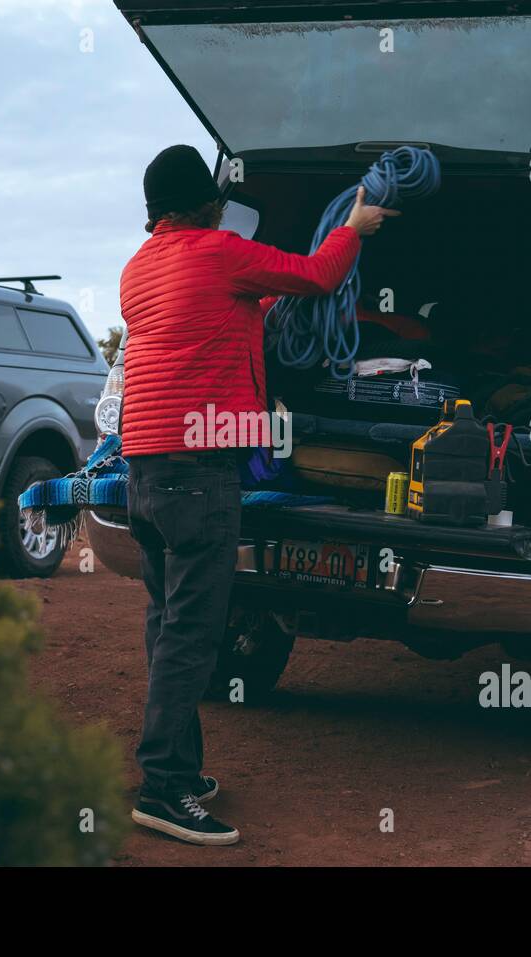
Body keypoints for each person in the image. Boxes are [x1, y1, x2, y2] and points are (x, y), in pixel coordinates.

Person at [118, 144, 397, 845]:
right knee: (193, 631)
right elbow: (318, 273)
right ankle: (162, 786)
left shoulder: (139, 267)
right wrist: (354, 227)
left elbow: (222, 308)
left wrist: (267, 296)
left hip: (144, 469)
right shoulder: (219, 252)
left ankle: (177, 766)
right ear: (203, 201)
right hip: (199, 469)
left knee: (166, 622)